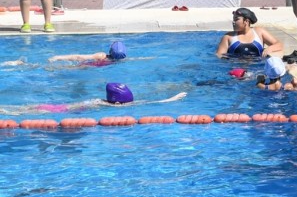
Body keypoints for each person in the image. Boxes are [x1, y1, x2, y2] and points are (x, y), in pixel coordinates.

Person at [0, 83, 186, 114]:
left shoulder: (105, 102)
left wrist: (173, 98)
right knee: (14, 112)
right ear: (118, 102)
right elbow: (147, 104)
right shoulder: (110, 106)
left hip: (53, 106)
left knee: (21, 109)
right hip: (52, 110)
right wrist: (171, 100)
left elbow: (145, 102)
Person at [214, 8, 283, 59]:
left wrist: (269, 49)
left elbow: (279, 44)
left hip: (257, 67)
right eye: (233, 20)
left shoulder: (259, 32)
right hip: (236, 69)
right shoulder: (228, 37)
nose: (233, 22)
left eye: (236, 19)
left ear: (246, 21)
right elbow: (219, 56)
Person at [49, 40, 127, 67]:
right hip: (92, 69)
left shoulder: (101, 56)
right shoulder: (120, 60)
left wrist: (59, 57)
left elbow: (79, 57)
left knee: (65, 67)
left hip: (85, 66)